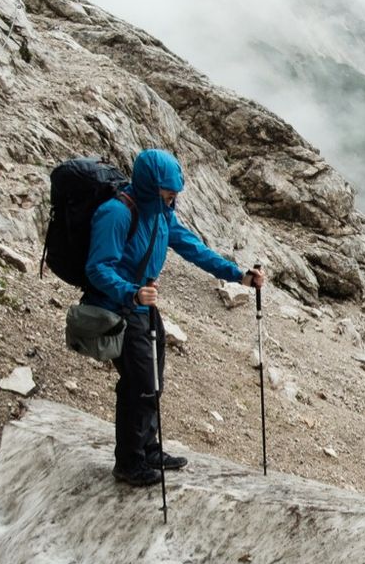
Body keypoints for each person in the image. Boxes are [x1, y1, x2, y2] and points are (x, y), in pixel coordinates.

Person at [84, 148, 263, 486]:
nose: (172, 201)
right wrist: (131, 292)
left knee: (152, 380)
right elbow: (97, 268)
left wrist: (239, 276)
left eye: (174, 195)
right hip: (119, 307)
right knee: (138, 384)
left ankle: (148, 448)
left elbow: (194, 249)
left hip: (143, 306)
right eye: (168, 195)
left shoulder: (161, 215)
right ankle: (129, 463)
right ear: (150, 187)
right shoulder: (117, 213)